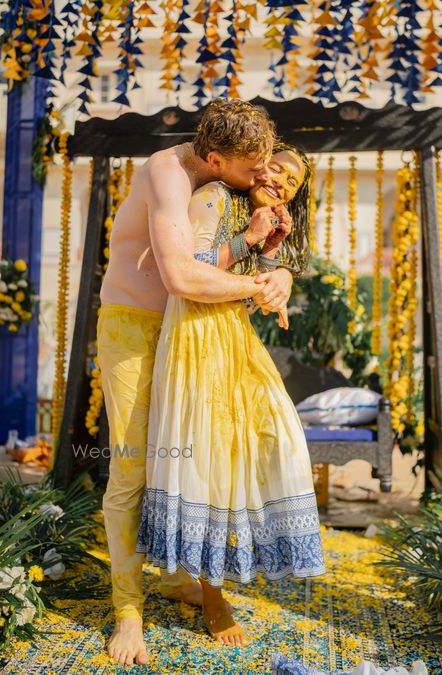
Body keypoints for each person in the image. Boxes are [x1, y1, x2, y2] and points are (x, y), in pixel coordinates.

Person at [97, 99, 296, 667]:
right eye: (253, 167)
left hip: (196, 335)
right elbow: (182, 275)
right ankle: (129, 611)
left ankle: (194, 580)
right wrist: (258, 284)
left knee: (202, 459)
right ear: (214, 158)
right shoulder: (167, 173)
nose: (265, 176)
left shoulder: (227, 192)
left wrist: (275, 268)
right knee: (134, 464)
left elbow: (223, 257)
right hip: (136, 329)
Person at [137, 144, 326, 649]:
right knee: (213, 460)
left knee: (278, 435)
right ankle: (214, 596)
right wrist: (250, 242)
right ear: (258, 164)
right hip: (197, 338)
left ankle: (215, 567)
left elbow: (243, 291)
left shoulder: (250, 212)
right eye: (279, 169)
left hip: (232, 336)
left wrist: (273, 264)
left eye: (292, 183)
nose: (282, 182)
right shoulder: (215, 195)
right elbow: (188, 272)